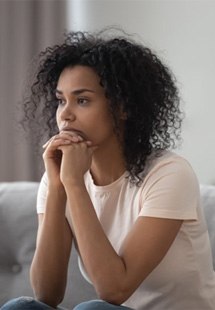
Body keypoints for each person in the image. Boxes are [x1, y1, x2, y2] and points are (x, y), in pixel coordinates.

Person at [1, 29, 215, 310]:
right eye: (60, 100)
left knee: (94, 309)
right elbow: (46, 294)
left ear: (123, 107)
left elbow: (114, 290)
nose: (65, 114)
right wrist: (57, 188)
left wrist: (74, 185)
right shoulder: (60, 176)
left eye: (82, 100)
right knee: (22, 308)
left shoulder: (169, 174)